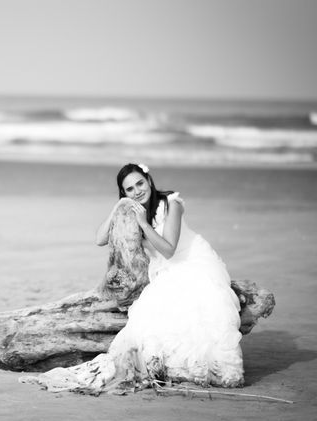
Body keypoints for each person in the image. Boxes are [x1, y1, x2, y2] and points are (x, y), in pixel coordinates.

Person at [20, 163, 244, 394]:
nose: (137, 191)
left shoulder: (171, 204)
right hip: (163, 270)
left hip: (191, 263)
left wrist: (144, 224)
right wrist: (118, 207)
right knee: (146, 322)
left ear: (148, 180)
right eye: (129, 189)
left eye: (140, 183)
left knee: (191, 316)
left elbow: (169, 250)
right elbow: (99, 239)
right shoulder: (131, 209)